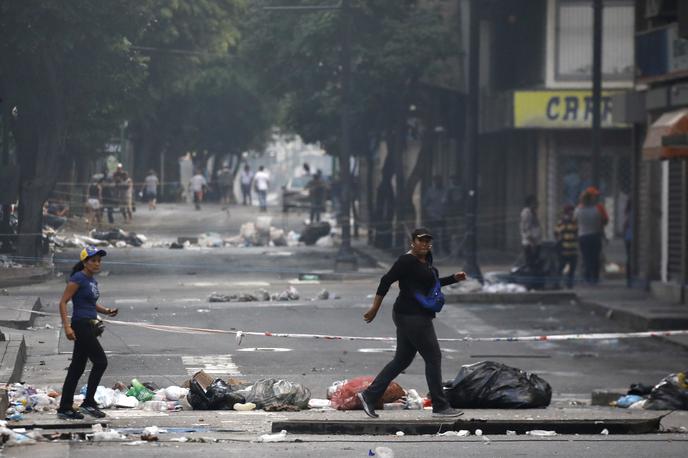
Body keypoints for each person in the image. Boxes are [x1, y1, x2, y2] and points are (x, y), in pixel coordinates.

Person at [358, 228, 467, 418]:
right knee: (433, 357)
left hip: (415, 315)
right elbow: (386, 280)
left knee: (402, 359)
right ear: (412, 242)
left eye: (427, 241)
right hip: (411, 315)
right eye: (421, 241)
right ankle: (440, 406)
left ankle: (369, 395)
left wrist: (453, 279)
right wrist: (374, 308)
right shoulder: (406, 260)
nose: (425, 244)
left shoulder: (426, 261)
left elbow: (428, 285)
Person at [57, 246, 118, 420]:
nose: (97, 264)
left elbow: (91, 304)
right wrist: (67, 327)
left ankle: (65, 407)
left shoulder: (92, 281)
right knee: (100, 362)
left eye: (99, 260)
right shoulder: (78, 278)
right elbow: (63, 302)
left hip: (89, 324)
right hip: (80, 325)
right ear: (85, 262)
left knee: (77, 367)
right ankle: (88, 403)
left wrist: (107, 311)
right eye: (93, 260)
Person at [574, 188, 605, 285]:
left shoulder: (578, 210)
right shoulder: (596, 210)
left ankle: (587, 277)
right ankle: (595, 277)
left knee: (586, 257)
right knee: (595, 257)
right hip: (595, 236)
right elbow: (600, 223)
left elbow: (575, 221)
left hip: (583, 236)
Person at [554, 203, 578, 289]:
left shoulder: (574, 222)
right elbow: (556, 233)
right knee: (561, 266)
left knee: (572, 268)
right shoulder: (561, 222)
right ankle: (556, 284)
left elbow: (576, 233)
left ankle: (569, 284)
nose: (571, 213)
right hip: (564, 249)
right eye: (570, 212)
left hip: (573, 249)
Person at [422, 176, 447, 255]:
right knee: (434, 233)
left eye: (439, 180)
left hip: (443, 215)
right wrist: (428, 213)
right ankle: (436, 250)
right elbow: (425, 203)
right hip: (433, 215)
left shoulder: (445, 190)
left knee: (444, 233)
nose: (438, 182)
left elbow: (448, 202)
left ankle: (445, 249)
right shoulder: (430, 191)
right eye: (436, 181)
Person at [520, 195, 542, 274]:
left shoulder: (533, 213)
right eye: (535, 202)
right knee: (531, 264)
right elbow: (526, 228)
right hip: (530, 243)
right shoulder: (527, 213)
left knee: (535, 264)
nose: (537, 204)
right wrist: (532, 242)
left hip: (536, 242)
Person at [623, 199, 633, 287]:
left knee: (629, 258)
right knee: (632, 258)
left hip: (628, 238)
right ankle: (631, 278)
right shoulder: (634, 213)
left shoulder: (628, 214)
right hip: (631, 237)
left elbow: (625, 225)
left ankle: (629, 279)